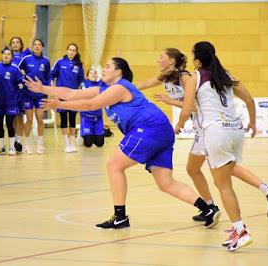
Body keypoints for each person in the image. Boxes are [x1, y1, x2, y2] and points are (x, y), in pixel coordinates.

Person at [24, 57, 221, 230]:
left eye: (108, 66)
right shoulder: (103, 88)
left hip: (149, 128)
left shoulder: (120, 87)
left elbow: (91, 105)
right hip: (161, 130)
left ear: (118, 72)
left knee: (113, 164)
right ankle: (209, 209)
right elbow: (74, 93)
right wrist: (44, 89)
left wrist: (59, 105)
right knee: (166, 183)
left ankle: (120, 217)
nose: (104, 68)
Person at [137, 48, 268, 223]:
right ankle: (215, 204)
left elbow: (192, 107)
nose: (158, 60)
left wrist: (175, 111)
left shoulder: (187, 78)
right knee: (204, 168)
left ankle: (224, 210)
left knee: (217, 170)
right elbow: (142, 85)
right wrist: (123, 89)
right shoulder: (166, 77)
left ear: (172, 61)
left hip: (207, 128)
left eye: (161, 57)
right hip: (223, 127)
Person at [176, 41, 268, 251]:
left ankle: (241, 231)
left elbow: (188, 106)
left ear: (197, 60)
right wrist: (252, 122)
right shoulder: (224, 74)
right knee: (226, 180)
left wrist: (180, 124)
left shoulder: (195, 76)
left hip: (216, 132)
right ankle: (241, 226)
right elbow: (250, 100)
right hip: (236, 131)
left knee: (223, 186)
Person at [0, 14, 37, 153]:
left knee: (20, 117)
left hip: (21, 91)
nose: (15, 44)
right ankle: (12, 141)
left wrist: (34, 22)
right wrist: (2, 22)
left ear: (20, 45)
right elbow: (0, 37)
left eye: (17, 42)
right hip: (8, 92)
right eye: (13, 42)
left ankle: (19, 142)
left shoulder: (25, 54)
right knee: (11, 119)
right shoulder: (7, 55)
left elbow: (32, 38)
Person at [50, 43, 85, 153]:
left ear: (76, 52)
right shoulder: (60, 62)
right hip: (61, 95)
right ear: (67, 50)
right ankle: (66, 144)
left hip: (74, 96)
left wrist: (83, 90)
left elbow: (81, 80)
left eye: (74, 50)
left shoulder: (79, 65)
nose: (71, 52)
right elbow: (51, 76)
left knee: (73, 119)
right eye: (70, 50)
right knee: (64, 119)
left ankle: (71, 143)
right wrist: (53, 91)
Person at [18, 39, 50, 154]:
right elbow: (18, 71)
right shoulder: (26, 59)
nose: (37, 46)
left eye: (39, 45)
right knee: (29, 119)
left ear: (42, 47)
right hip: (28, 95)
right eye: (35, 45)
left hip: (41, 95)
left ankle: (40, 144)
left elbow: (48, 78)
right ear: (32, 47)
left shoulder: (46, 61)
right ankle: (26, 144)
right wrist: (23, 81)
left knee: (40, 119)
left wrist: (47, 90)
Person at [0, 49, 24, 155]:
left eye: (9, 54)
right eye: (4, 54)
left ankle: (12, 147)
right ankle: (1, 147)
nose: (6, 55)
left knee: (9, 124)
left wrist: (17, 100)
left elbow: (21, 85)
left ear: (12, 57)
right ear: (2, 55)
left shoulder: (15, 69)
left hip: (11, 102)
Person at [80, 68, 104, 148]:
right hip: (86, 117)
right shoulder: (84, 83)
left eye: (95, 73)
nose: (93, 74)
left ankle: (93, 134)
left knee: (100, 143)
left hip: (98, 117)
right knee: (88, 144)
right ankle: (82, 135)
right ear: (87, 76)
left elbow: (106, 77)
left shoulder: (100, 84)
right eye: (91, 73)